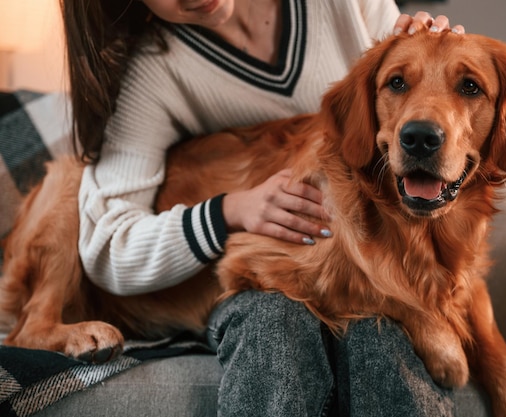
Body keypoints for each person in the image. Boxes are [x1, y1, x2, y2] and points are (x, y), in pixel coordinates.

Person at [61, 0, 465, 415]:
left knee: (381, 339)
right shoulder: (152, 71)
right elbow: (107, 245)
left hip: (375, 251)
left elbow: (426, 102)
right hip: (256, 274)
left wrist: (434, 56)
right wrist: (227, 212)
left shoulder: (349, 5)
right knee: (274, 321)